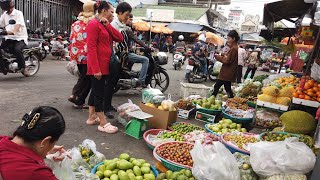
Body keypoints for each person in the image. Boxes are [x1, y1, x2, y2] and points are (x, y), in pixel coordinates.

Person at [86, 1, 123, 133]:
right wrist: (96, 69)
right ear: (103, 11)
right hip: (98, 66)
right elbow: (91, 47)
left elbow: (119, 38)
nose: (113, 14)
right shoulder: (93, 24)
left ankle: (91, 117)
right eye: (111, 12)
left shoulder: (103, 24)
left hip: (104, 65)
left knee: (95, 91)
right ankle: (102, 122)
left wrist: (108, 26)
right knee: (99, 93)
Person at [0, 106, 66, 179]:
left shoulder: (2, 141)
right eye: (52, 143)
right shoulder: (37, 174)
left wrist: (46, 151)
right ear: (45, 141)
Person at [111, 3, 149, 87]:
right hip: (121, 55)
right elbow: (114, 43)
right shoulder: (115, 25)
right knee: (145, 60)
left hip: (124, 53)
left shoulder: (123, 26)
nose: (128, 18)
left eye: (130, 18)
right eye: (127, 15)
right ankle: (141, 81)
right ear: (120, 13)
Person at [68, 0, 95, 109]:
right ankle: (74, 94)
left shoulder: (75, 23)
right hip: (88, 55)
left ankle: (79, 101)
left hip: (77, 55)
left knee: (86, 78)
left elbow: (71, 38)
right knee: (85, 78)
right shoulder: (93, 23)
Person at [0, 0, 28, 74]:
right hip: (9, 38)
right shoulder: (4, 14)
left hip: (19, 38)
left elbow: (18, 24)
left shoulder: (18, 13)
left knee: (17, 50)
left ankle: (23, 67)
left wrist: (13, 31)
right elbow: (0, 24)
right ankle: (3, 68)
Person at [212, 30, 239, 98]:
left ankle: (211, 98)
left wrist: (218, 57)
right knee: (227, 88)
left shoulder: (234, 48)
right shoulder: (233, 47)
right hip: (228, 72)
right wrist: (223, 54)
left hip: (227, 72)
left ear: (234, 39)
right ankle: (232, 99)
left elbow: (227, 61)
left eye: (229, 38)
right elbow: (228, 58)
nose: (227, 40)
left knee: (217, 86)